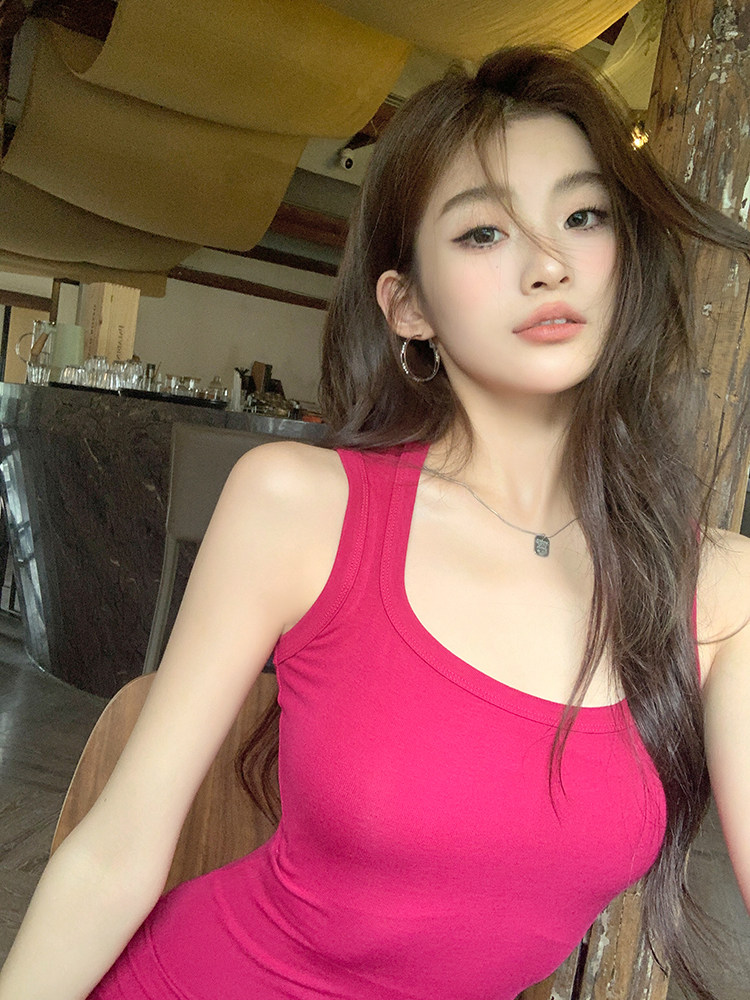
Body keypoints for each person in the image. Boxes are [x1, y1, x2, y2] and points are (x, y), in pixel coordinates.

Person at [2, 45, 750, 1000]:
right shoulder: (299, 507)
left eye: (583, 216)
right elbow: (117, 850)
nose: (549, 264)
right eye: (484, 233)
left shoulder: (719, 593)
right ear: (408, 307)